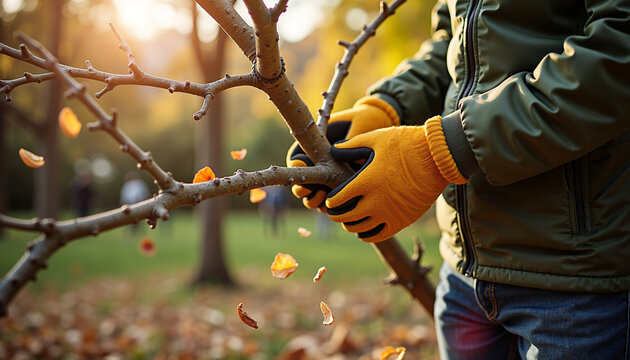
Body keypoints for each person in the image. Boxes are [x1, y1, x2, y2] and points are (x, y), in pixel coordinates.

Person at [287, 0, 630, 358]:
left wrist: (444, 152)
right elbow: (454, 45)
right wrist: (387, 107)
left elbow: (618, 51)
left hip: (577, 280)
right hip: (463, 276)